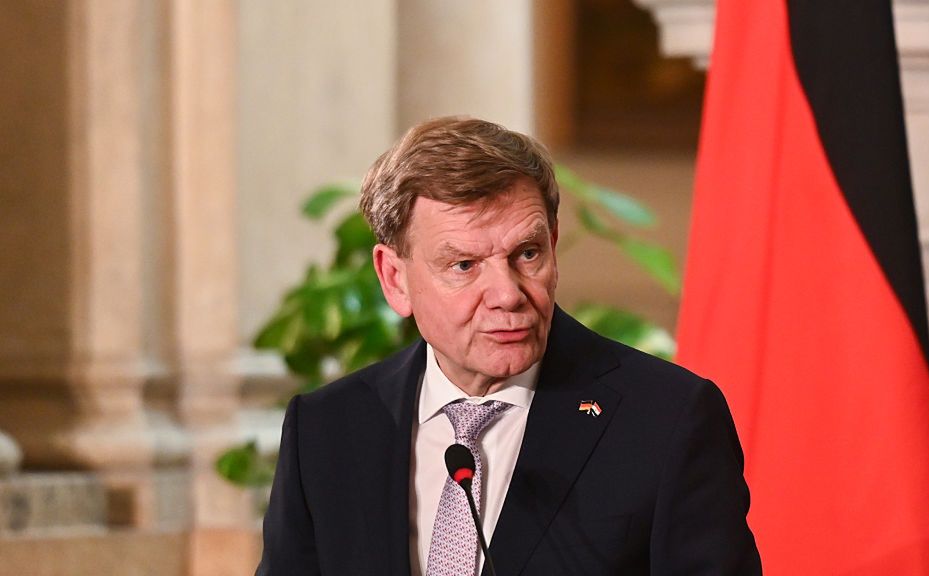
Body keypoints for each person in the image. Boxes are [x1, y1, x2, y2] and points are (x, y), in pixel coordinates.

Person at [257, 117, 761, 575]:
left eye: (527, 253)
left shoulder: (665, 419)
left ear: (554, 245)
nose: (507, 295)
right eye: (464, 266)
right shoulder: (328, 429)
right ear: (395, 279)